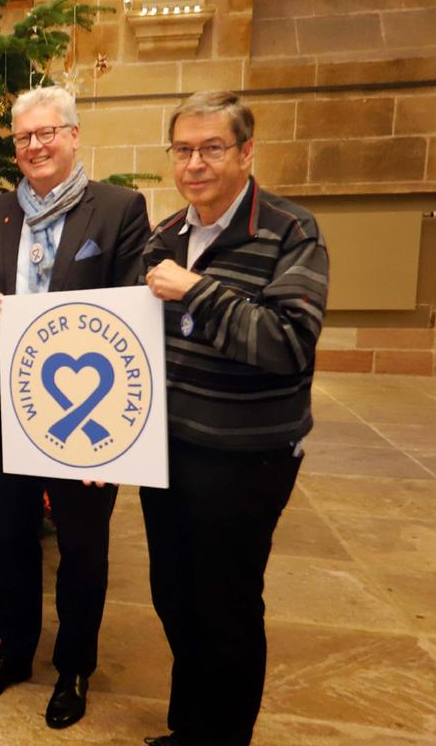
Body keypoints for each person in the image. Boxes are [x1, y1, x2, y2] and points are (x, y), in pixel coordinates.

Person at [140, 90, 328, 746]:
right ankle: (189, 728)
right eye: (183, 149)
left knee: (225, 606)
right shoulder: (163, 237)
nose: (194, 163)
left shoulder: (289, 231)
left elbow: (285, 344)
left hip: (245, 456)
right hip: (166, 451)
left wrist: (196, 290)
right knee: (173, 593)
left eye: (211, 148)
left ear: (245, 153)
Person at [0, 87, 150, 729]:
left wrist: (124, 439)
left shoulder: (120, 209)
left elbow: (133, 315)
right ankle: (13, 651)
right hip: (7, 408)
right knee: (10, 539)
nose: (36, 146)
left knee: (82, 546)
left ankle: (74, 667)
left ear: (73, 134)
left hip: (85, 416)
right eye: (23, 138)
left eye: (48, 133)